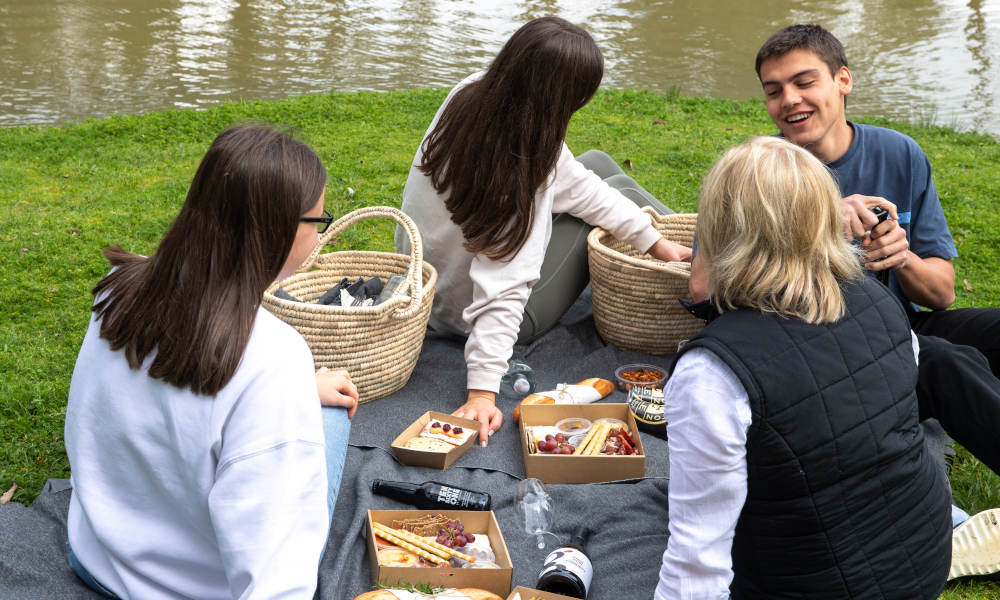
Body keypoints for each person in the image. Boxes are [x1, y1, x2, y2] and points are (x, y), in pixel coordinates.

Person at [63, 125, 359, 599]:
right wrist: (295, 394)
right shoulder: (273, 359)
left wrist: (299, 388)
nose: (320, 238)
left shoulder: (120, 286)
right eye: (319, 223)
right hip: (195, 589)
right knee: (333, 421)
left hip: (94, 553)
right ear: (280, 230)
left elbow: (187, 406)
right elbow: (275, 584)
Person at [657, 136, 952, 599]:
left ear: (718, 229)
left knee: (645, 515)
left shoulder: (711, 373)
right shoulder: (878, 299)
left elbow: (697, 563)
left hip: (811, 584)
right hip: (923, 556)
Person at [395, 16, 691, 445]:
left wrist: (655, 242)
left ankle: (682, 250)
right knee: (619, 186)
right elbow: (506, 286)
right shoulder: (521, 174)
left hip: (427, 283)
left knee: (598, 164)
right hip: (471, 314)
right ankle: (703, 265)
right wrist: (482, 391)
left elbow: (575, 180)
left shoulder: (471, 92)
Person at [747, 24, 1000, 482]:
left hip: (899, 323)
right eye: (774, 90)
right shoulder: (760, 173)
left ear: (843, 80)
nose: (789, 100)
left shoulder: (900, 153)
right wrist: (818, 213)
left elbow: (942, 294)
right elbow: (712, 289)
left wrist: (902, 257)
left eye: (804, 82)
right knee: (944, 362)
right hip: (821, 352)